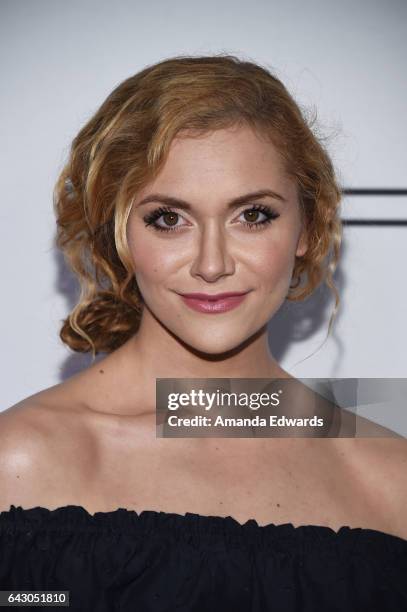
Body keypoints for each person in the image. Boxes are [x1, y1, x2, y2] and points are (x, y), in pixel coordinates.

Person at [0, 54, 406, 611]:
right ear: (119, 235)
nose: (212, 264)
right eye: (168, 219)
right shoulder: (21, 463)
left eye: (253, 215)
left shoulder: (391, 479)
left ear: (307, 229)